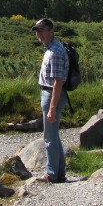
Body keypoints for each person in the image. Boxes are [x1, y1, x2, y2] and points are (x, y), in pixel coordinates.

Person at [31, 17, 68, 183]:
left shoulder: (56, 52)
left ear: (51, 31)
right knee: (53, 135)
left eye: (42, 30)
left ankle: (51, 174)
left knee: (49, 137)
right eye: (37, 31)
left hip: (52, 95)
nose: (39, 34)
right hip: (48, 94)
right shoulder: (50, 48)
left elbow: (58, 82)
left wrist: (52, 107)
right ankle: (59, 172)